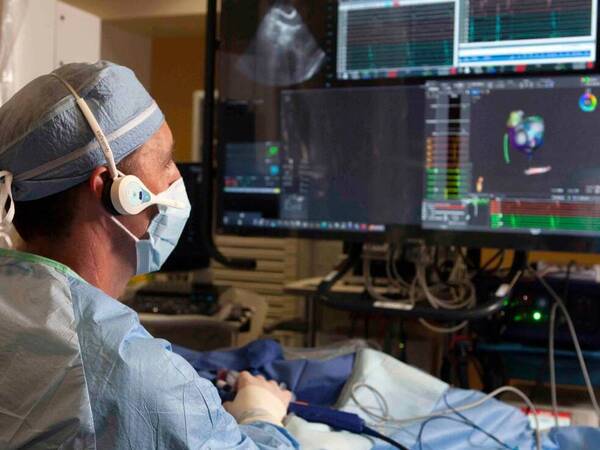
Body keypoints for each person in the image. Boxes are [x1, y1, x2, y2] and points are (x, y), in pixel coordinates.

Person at [0, 61, 298, 449]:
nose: (177, 179)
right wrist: (263, 415)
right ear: (112, 189)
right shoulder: (128, 372)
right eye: (166, 163)